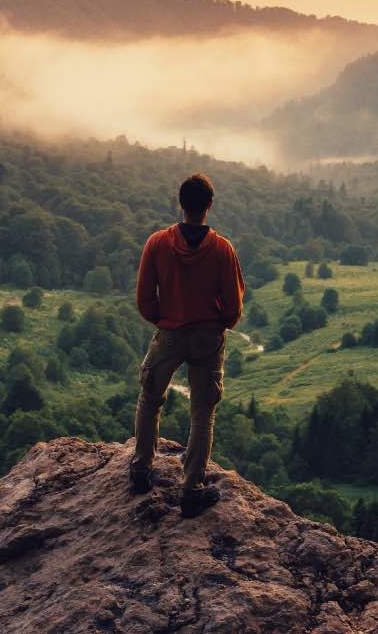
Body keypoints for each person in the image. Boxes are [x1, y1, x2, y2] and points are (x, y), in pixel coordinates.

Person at [130, 172, 245, 517]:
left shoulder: (158, 243)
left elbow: (144, 296)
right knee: (202, 411)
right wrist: (219, 324)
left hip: (169, 334)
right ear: (209, 206)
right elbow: (234, 305)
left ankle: (140, 470)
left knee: (150, 398)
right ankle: (192, 487)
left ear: (181, 204)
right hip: (208, 336)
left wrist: (163, 321)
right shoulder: (222, 249)